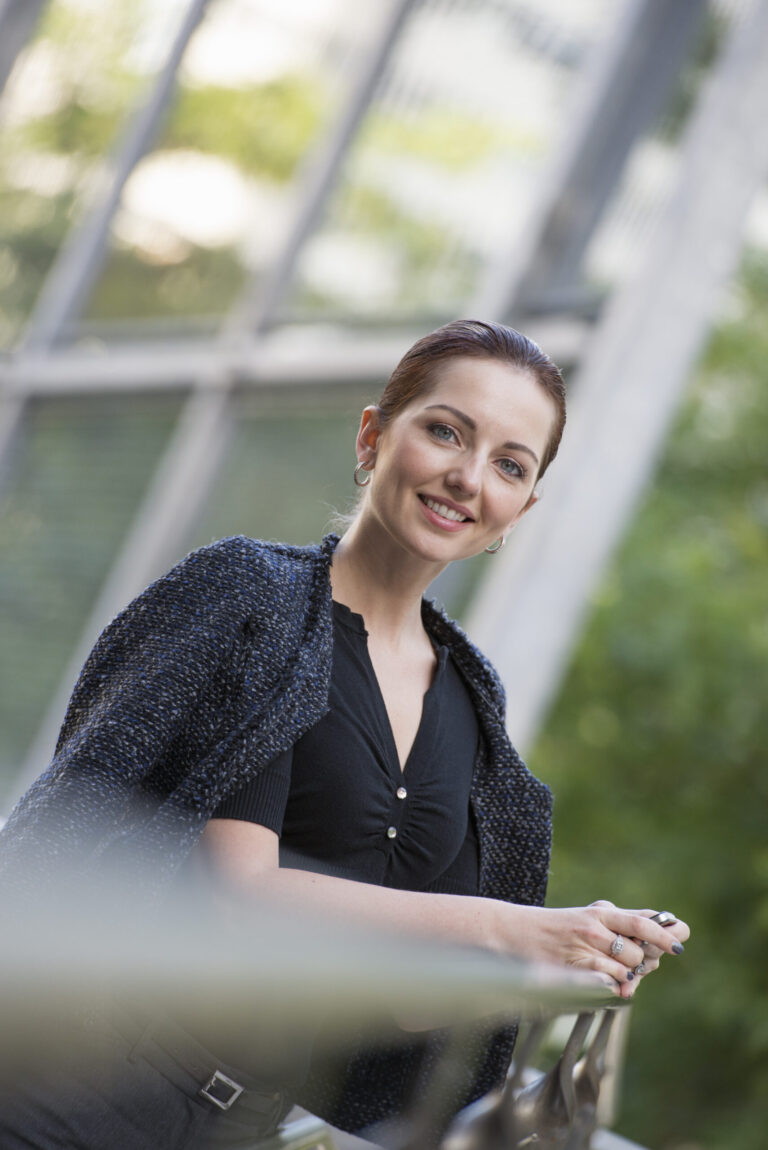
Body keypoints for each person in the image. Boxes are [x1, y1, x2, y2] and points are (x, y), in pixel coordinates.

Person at [0, 320, 689, 1149]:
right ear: (373, 435)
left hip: (242, 1127)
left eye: (510, 464)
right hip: (69, 1095)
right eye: (445, 431)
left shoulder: (474, 704)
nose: (468, 479)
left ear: (524, 505)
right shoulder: (256, 601)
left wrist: (573, 959)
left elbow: (402, 1003)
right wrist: (517, 927)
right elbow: (244, 900)